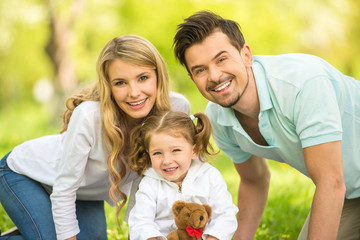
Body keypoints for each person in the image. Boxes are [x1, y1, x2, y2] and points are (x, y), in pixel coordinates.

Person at [173, 10, 360, 240]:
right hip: (352, 194)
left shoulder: (302, 85)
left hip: (339, 186)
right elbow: (254, 181)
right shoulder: (219, 119)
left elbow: (330, 181)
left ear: (246, 55)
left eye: (221, 59)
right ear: (193, 78)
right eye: (200, 70)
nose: (214, 75)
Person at [0, 35, 191, 240]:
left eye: (143, 78)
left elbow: (146, 183)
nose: (134, 92)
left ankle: (35, 228)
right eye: (120, 83)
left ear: (158, 76)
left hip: (85, 193)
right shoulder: (90, 116)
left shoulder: (175, 110)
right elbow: (64, 189)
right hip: (25, 173)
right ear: (108, 86)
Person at [127, 111, 238, 240]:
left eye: (176, 150)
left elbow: (225, 215)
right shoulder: (150, 183)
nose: (166, 161)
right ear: (148, 153)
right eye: (157, 153)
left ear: (194, 151)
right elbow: (141, 222)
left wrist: (213, 238)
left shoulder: (209, 176)